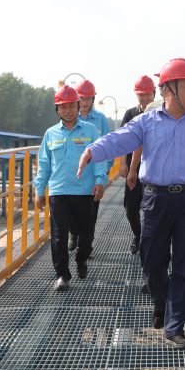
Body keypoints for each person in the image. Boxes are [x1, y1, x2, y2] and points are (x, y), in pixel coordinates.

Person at [77, 58, 185, 349]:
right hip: (156, 199)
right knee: (152, 262)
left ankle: (175, 326)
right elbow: (119, 139)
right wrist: (93, 151)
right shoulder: (147, 121)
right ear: (169, 90)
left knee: (184, 266)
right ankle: (163, 303)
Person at [34, 85, 109, 291]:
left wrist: (100, 180)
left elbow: (99, 157)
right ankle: (62, 275)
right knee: (59, 235)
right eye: (63, 107)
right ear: (57, 109)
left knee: (87, 232)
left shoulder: (91, 130)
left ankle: (81, 258)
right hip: (58, 191)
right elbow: (43, 164)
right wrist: (40, 190)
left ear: (78, 106)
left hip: (84, 191)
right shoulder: (50, 134)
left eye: (71, 106)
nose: (68, 111)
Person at [66, 79, 111, 255]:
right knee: (70, 208)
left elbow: (108, 144)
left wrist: (106, 169)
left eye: (88, 98)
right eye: (82, 99)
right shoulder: (70, 116)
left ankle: (86, 246)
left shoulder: (100, 119)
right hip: (73, 172)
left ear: (93, 99)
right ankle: (73, 233)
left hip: (93, 173)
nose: (84, 102)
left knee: (90, 213)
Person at [117, 75, 155, 255]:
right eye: (141, 95)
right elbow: (123, 140)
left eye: (148, 94)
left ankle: (150, 241)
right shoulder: (131, 114)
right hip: (134, 169)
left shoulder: (161, 113)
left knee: (153, 208)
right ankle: (138, 236)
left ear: (154, 93)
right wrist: (123, 164)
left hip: (155, 169)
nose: (145, 98)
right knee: (131, 208)